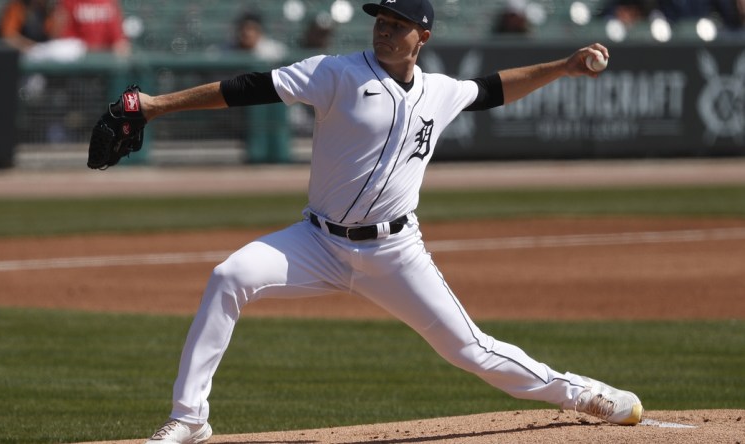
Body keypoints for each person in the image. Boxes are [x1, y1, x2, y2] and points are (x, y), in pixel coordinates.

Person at [134, 1, 642, 442]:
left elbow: (492, 89)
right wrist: (157, 107)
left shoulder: (440, 92)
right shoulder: (335, 72)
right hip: (315, 241)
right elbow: (246, 87)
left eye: (398, 23)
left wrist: (565, 66)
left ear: (423, 35)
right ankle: (189, 418)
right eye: (380, 19)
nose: (383, 29)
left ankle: (584, 394)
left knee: (471, 349)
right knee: (229, 277)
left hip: (395, 253)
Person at [53, 0, 131, 57]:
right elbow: (64, 40)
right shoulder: (69, 2)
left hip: (104, 61)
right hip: (78, 62)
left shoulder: (108, 3)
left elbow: (120, 42)